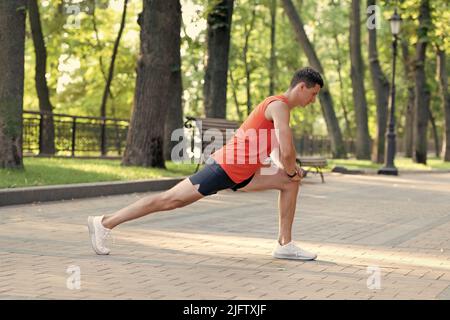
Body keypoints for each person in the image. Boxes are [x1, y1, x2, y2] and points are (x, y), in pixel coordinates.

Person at [88, 66, 323, 260]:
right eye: (313, 94)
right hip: (225, 168)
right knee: (170, 200)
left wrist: (289, 172)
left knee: (290, 183)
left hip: (243, 174)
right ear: (302, 87)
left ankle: (285, 244)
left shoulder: (280, 109)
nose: (313, 100)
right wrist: (291, 169)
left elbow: (275, 148)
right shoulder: (278, 105)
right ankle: (105, 223)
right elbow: (287, 148)